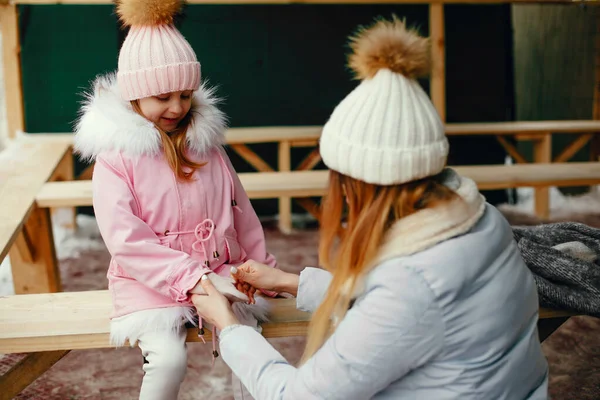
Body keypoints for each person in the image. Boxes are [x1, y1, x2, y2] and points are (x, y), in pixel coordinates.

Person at [192, 16, 549, 399]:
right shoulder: (483, 221)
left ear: (360, 182)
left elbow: (298, 395)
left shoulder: (409, 284)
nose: (341, 196)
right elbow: (414, 305)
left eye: (341, 181)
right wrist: (293, 283)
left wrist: (229, 326)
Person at [73, 1, 276, 399]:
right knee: (168, 360)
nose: (178, 107)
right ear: (136, 94)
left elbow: (242, 211)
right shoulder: (116, 160)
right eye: (163, 96)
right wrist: (190, 278)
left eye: (185, 94)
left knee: (250, 341)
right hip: (149, 284)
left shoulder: (208, 148)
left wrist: (259, 271)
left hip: (220, 272)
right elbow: (126, 240)